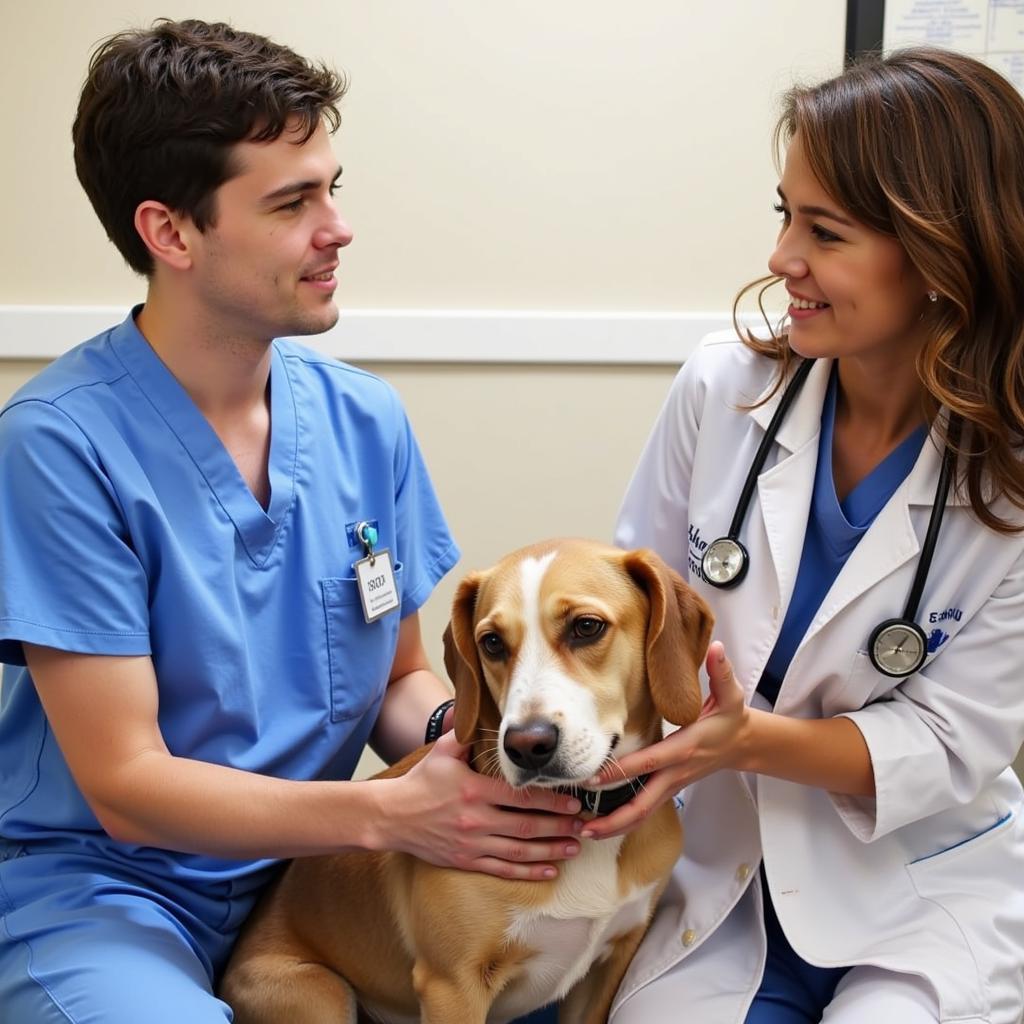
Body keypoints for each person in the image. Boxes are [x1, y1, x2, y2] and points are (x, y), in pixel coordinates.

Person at [0, 20, 583, 1023]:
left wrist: (473, 745)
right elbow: (127, 785)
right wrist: (387, 811)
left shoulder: (362, 419)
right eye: (291, 202)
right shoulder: (58, 446)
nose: (337, 228)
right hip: (113, 892)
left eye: (332, 188)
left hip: (313, 881)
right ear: (170, 232)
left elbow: (400, 676)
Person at [586, 48, 1024, 1023]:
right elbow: (635, 607)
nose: (782, 257)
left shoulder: (1011, 477)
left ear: (942, 254)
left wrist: (741, 740)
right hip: (715, 873)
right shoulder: (723, 387)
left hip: (919, 891)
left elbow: (951, 741)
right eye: (783, 214)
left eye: (823, 231)